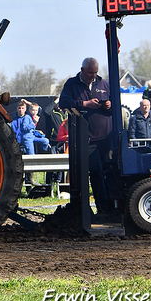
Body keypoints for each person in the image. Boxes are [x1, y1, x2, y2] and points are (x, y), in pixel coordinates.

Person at [59, 57, 113, 216]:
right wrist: (85, 104)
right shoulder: (72, 84)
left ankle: (110, 208)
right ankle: (101, 209)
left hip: (106, 138)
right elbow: (63, 102)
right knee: (95, 172)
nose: (93, 76)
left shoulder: (104, 84)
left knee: (109, 172)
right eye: (90, 73)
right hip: (87, 139)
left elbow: (115, 106)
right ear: (82, 70)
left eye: (96, 72)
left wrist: (108, 105)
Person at [10, 100, 48, 185]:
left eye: (23, 108)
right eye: (19, 108)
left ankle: (31, 178)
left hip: (29, 139)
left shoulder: (28, 116)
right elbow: (22, 129)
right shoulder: (14, 120)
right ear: (17, 108)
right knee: (23, 161)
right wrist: (34, 123)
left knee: (45, 141)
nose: (21, 110)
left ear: (25, 109)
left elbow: (37, 108)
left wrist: (27, 102)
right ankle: (25, 180)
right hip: (20, 142)